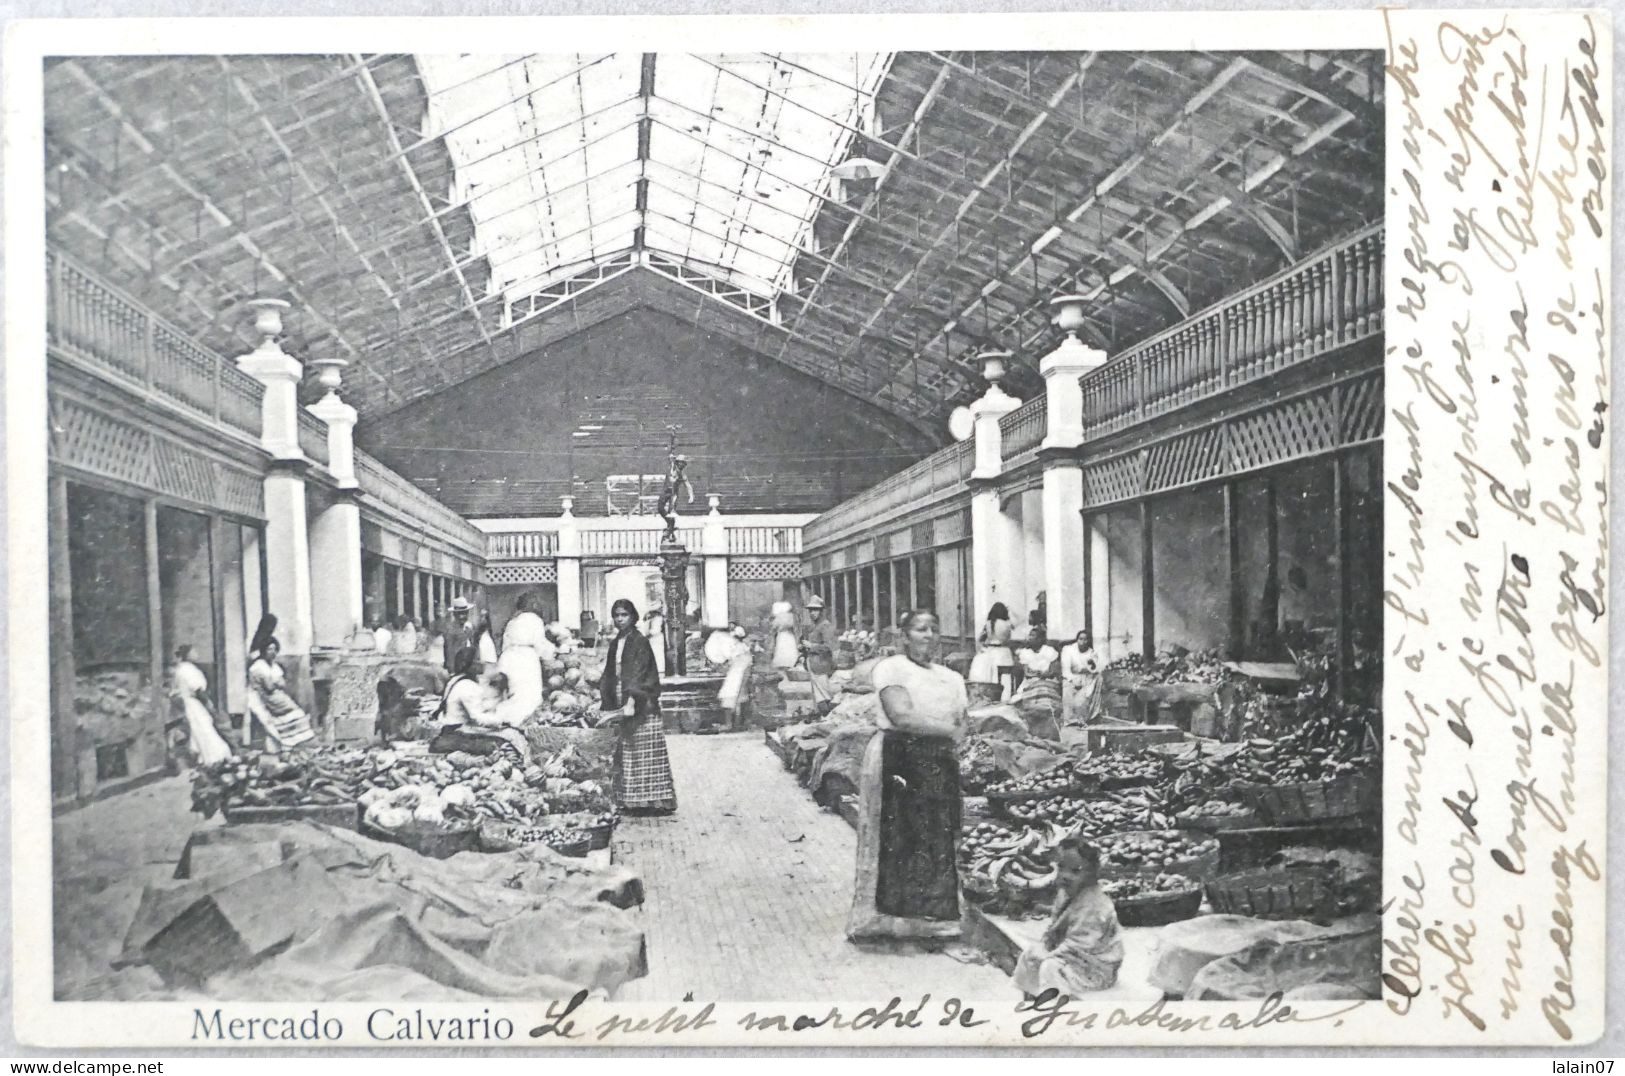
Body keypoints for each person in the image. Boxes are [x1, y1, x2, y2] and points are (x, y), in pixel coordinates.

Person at [848, 608, 967, 941]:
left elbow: (964, 719)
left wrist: (954, 736)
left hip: (939, 760)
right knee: (903, 831)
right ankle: (897, 917)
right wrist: (949, 731)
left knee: (938, 833)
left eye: (933, 629)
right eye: (919, 629)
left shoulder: (951, 677)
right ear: (904, 636)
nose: (928, 635)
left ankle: (935, 916)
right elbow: (902, 716)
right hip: (902, 758)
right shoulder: (892, 669)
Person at [1014, 836, 1124, 995]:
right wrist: (1045, 944)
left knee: (1050, 968)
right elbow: (1054, 927)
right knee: (1030, 954)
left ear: (1092, 874)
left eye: (1076, 871)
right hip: (1072, 956)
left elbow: (1079, 944)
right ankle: (1030, 999)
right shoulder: (1065, 893)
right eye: (1061, 867)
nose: (1065, 875)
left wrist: (1049, 954)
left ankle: (1053, 1008)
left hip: (1095, 967)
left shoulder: (1095, 905)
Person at [599, 598, 676, 814]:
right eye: (617, 615)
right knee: (628, 752)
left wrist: (633, 700)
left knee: (645, 752)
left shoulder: (639, 641)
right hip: (622, 699)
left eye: (624, 615)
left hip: (641, 703)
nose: (620, 619)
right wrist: (606, 697)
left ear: (632, 617)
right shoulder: (616, 642)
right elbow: (610, 672)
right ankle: (632, 800)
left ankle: (653, 801)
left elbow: (641, 673)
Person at [246, 615, 314, 750]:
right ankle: (261, 742)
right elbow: (264, 678)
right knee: (262, 717)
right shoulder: (257, 653)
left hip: (267, 684)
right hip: (260, 688)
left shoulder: (268, 649)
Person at [170, 645, 232, 766]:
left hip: (188, 702)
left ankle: (201, 758)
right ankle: (213, 758)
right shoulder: (188, 670)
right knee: (204, 729)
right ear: (187, 655)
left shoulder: (181, 668)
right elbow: (198, 690)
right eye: (193, 652)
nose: (196, 654)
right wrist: (208, 703)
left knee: (199, 729)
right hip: (192, 702)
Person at [493, 592, 550, 724]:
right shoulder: (535, 620)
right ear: (531, 604)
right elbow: (540, 644)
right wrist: (552, 652)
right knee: (528, 694)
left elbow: (504, 644)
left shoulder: (512, 621)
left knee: (513, 693)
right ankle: (521, 723)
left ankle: (506, 720)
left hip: (508, 657)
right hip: (526, 659)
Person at [970, 602, 1016, 698]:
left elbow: (981, 638)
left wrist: (984, 646)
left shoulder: (989, 624)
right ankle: (1006, 697)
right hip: (1004, 652)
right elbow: (1014, 628)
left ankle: (995, 697)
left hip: (992, 652)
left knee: (994, 677)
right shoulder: (1007, 624)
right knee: (1006, 677)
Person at [800, 594, 840, 700]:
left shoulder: (825, 625)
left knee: (824, 694)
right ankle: (820, 714)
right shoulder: (814, 626)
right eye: (810, 610)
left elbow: (829, 646)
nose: (812, 613)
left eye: (815, 610)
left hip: (822, 664)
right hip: (814, 663)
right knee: (818, 694)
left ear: (822, 611)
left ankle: (826, 713)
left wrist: (811, 646)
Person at [716, 625, 754, 728]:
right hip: (736, 673)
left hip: (736, 674)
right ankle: (735, 723)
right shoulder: (743, 649)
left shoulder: (739, 649)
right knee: (736, 698)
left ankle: (731, 723)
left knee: (732, 697)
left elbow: (734, 662)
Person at [1060, 630, 1101, 725]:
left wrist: (1091, 665)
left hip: (1087, 679)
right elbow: (1065, 670)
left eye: (1086, 639)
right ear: (1077, 640)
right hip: (1071, 677)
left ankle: (1084, 718)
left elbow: (1094, 669)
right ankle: (1070, 720)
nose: (1083, 642)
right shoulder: (1068, 650)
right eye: (1081, 639)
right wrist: (1073, 680)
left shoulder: (1092, 653)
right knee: (1067, 689)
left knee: (1086, 694)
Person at [442, 596, 478, 674]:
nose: (462, 616)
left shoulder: (469, 627)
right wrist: (452, 671)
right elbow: (449, 651)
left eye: (465, 613)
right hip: (457, 668)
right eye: (459, 614)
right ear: (454, 614)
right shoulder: (451, 630)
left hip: (469, 666)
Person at [770, 601, 799, 669]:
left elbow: (774, 626)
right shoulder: (791, 616)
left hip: (782, 635)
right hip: (790, 635)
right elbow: (794, 627)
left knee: (782, 649)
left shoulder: (779, 616)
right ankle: (790, 664)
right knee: (789, 649)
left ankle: (782, 664)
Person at [644, 606, 667, 676]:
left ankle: (660, 670)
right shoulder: (651, 619)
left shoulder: (658, 619)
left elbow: (656, 630)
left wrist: (649, 634)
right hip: (652, 639)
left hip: (657, 639)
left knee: (658, 654)